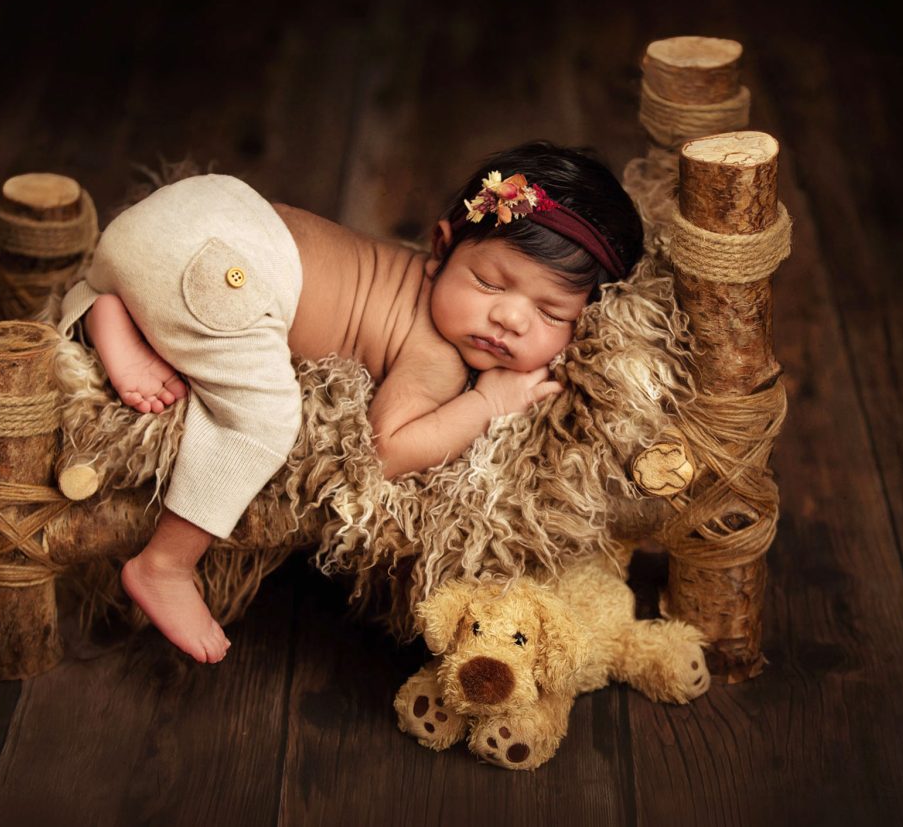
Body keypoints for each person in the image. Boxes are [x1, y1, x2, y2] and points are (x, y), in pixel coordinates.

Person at [56, 140, 644, 665]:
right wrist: (488, 402)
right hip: (222, 269)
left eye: (551, 314)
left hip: (177, 220)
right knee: (264, 417)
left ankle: (110, 308)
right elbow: (386, 449)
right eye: (490, 283)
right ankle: (165, 564)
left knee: (191, 299)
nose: (509, 318)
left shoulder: (415, 277)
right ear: (440, 250)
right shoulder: (439, 355)